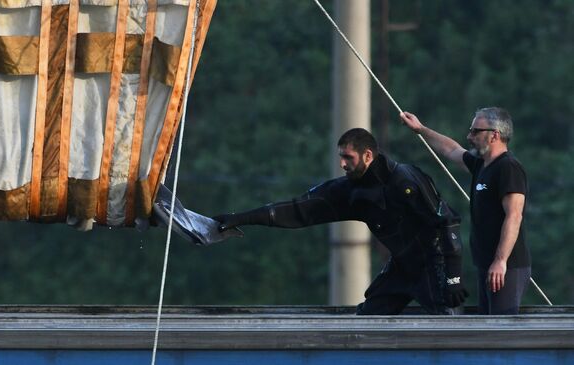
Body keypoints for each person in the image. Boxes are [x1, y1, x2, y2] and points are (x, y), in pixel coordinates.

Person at [214, 128, 468, 315]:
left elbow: (446, 222)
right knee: (366, 321)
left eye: (348, 157)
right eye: (341, 157)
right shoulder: (350, 191)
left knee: (447, 330)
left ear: (368, 155)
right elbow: (297, 210)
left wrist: (453, 278)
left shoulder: (404, 180)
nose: (342, 164)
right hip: (403, 267)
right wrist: (241, 217)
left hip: (435, 266)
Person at [400, 107, 530, 315]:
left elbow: (514, 216)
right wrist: (421, 129)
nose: (469, 136)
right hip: (486, 264)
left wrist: (500, 261)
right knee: (488, 328)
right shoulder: (482, 164)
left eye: (475, 131)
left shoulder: (509, 168)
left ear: (494, 135)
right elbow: (450, 149)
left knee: (502, 331)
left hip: (506, 266)